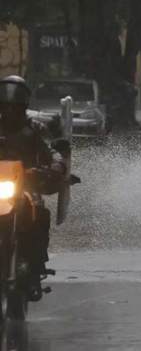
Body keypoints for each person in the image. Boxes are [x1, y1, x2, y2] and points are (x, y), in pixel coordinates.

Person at [0, 75, 66, 300]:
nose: (10, 106)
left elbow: (52, 152)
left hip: (25, 185)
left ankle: (34, 266)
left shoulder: (33, 128)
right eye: (6, 100)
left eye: (15, 101)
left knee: (38, 212)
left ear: (24, 102)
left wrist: (53, 167)